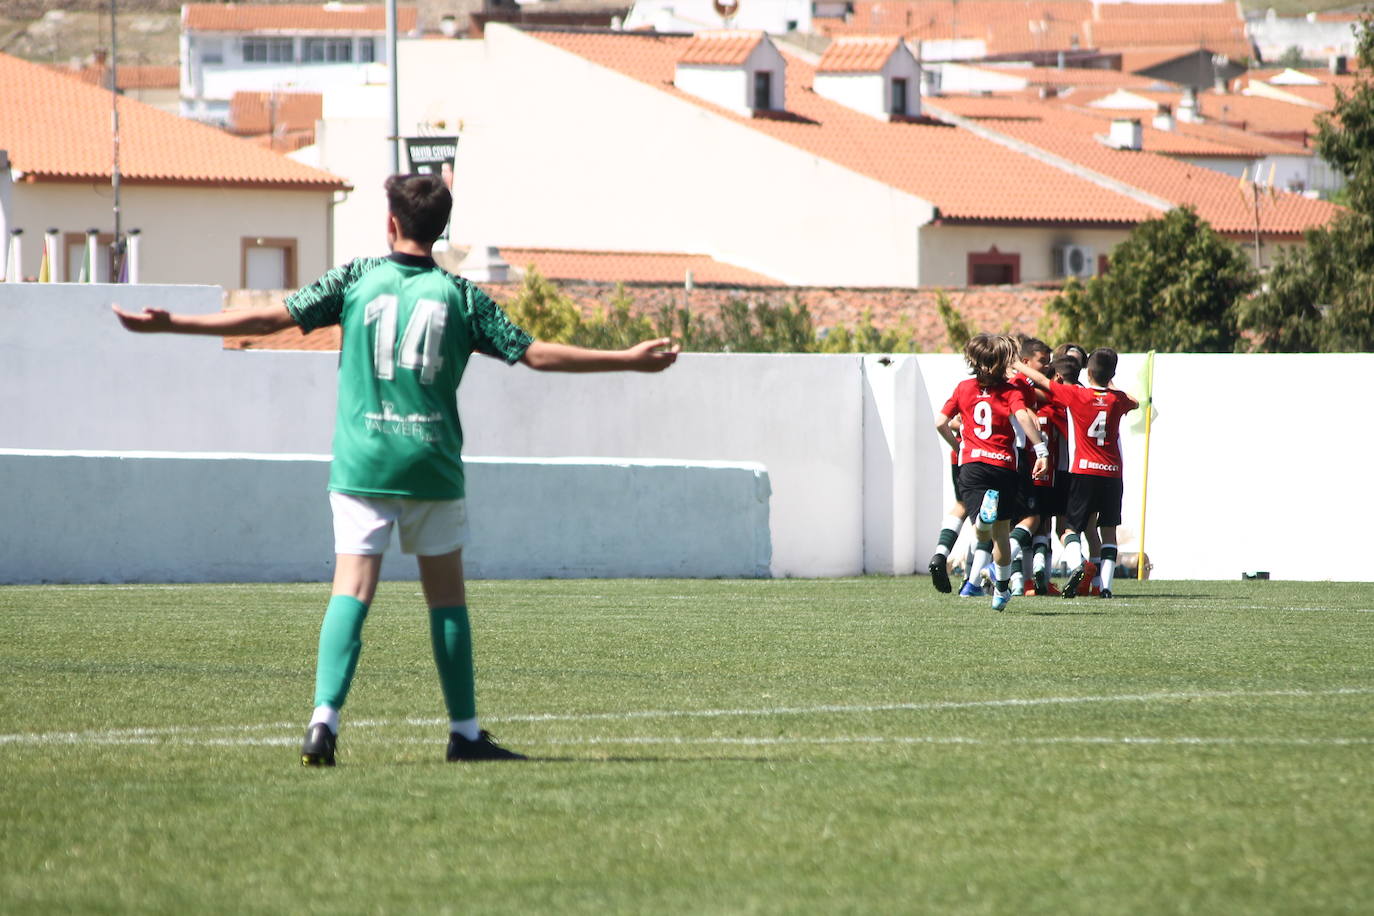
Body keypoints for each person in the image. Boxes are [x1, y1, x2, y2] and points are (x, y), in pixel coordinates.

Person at [113, 173, 679, 766]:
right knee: (446, 599)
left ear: (391, 223)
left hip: (363, 462)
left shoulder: (356, 279)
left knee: (351, 589)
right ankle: (464, 733)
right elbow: (534, 354)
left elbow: (267, 320)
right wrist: (627, 361)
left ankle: (322, 722)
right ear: (442, 232)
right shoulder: (462, 297)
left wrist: (173, 324)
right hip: (431, 463)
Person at [934, 333, 1049, 612]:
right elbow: (1023, 417)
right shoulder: (1010, 391)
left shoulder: (963, 388)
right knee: (1001, 534)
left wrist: (958, 445)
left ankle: (982, 524)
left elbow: (940, 422)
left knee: (981, 533)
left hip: (973, 465)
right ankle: (1000, 591)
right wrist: (1041, 450)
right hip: (1003, 466)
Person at [1021, 348, 1137, 599]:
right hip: (1112, 474)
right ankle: (1104, 587)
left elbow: (1042, 382)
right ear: (1112, 374)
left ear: (1088, 372)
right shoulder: (1117, 399)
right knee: (1107, 531)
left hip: (1083, 472)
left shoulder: (1077, 395)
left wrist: (1016, 366)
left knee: (1070, 529)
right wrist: (1111, 384)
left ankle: (1079, 563)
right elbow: (1135, 401)